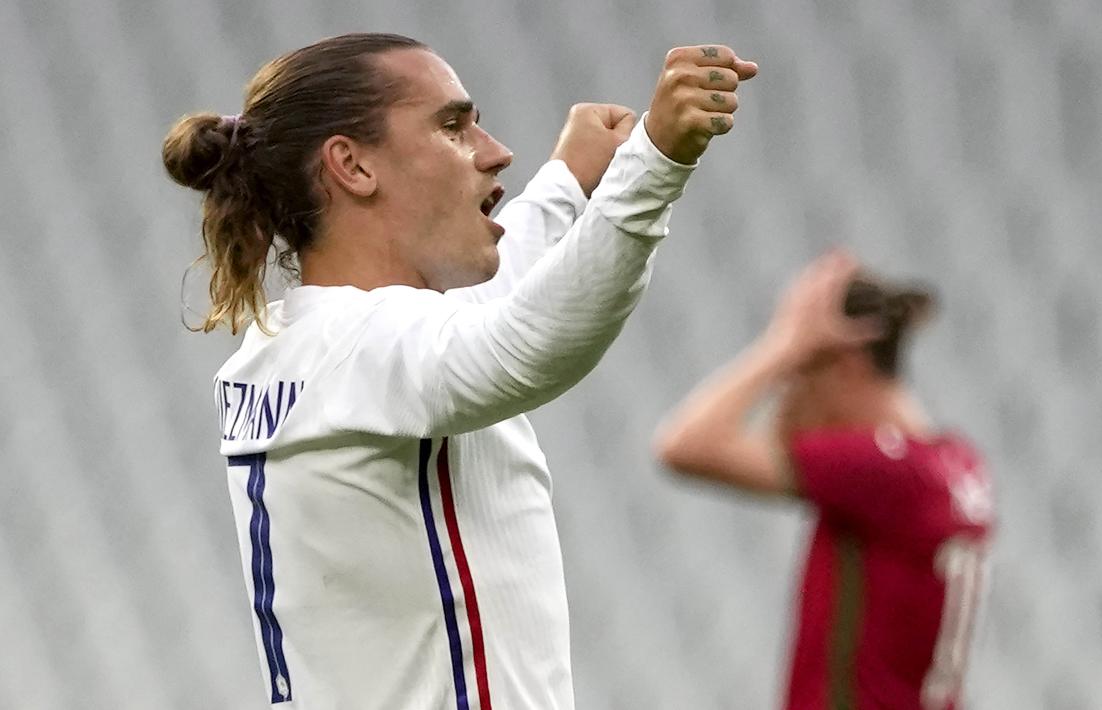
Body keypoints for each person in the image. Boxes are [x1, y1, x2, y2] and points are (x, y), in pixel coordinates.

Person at [161, 32, 756, 710]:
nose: (495, 150)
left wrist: (564, 184)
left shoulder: (299, 343)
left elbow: (484, 315)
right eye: (452, 126)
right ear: (353, 166)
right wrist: (653, 162)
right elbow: (527, 338)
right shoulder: (365, 347)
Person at [655, 252, 994, 710]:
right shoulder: (957, 463)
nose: (787, 397)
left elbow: (683, 447)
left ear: (845, 363)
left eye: (799, 376)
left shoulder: (879, 470)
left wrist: (779, 350)